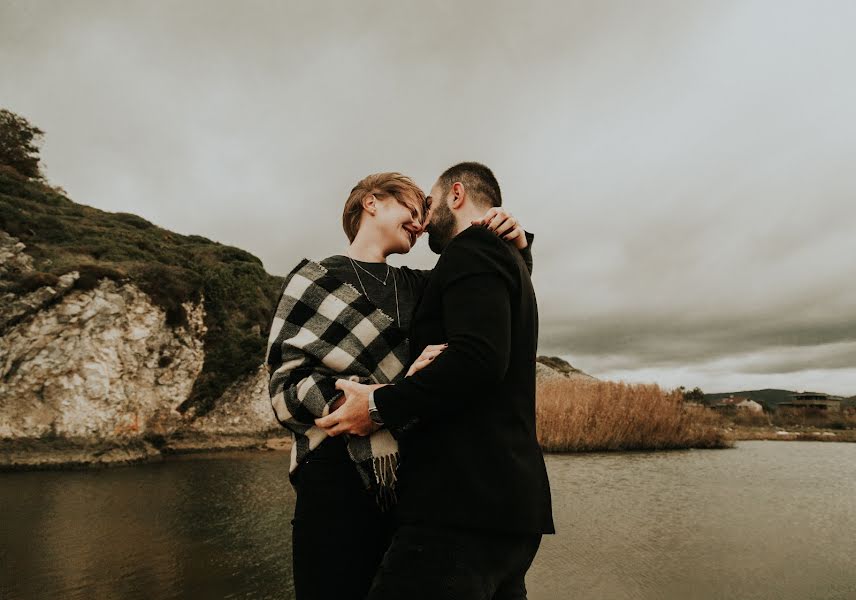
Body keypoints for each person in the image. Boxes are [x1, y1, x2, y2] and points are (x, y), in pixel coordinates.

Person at [264, 171, 533, 600]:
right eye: (413, 207)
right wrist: (383, 392)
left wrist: (516, 243)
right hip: (334, 478)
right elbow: (284, 386)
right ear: (373, 202)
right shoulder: (314, 279)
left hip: (405, 486)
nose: (422, 221)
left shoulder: (420, 284)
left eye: (427, 212)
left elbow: (490, 303)